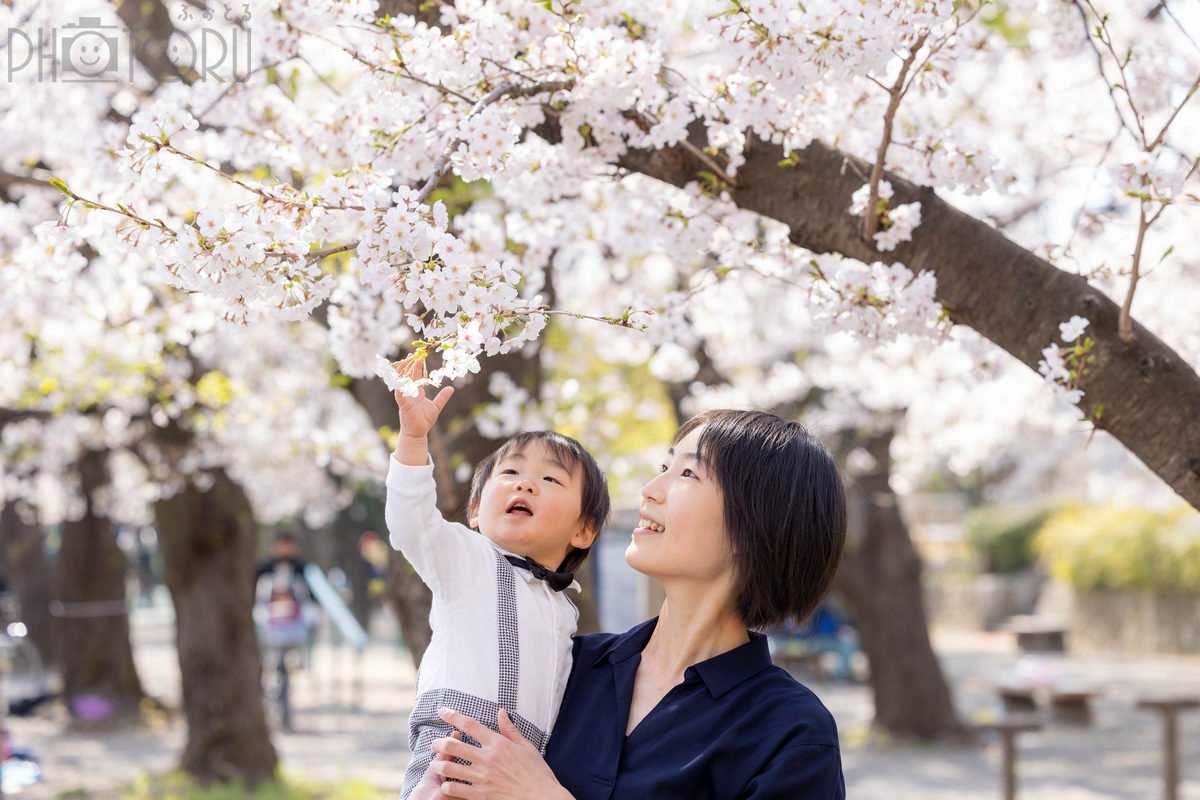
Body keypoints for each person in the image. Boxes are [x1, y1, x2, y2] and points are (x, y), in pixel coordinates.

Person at [420, 408, 848, 799]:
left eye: (687, 474)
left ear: (757, 524)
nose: (649, 490)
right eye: (663, 467)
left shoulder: (790, 732)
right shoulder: (567, 666)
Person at [385, 360, 610, 799]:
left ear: (583, 530)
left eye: (549, 479)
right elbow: (411, 523)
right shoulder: (467, 560)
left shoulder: (562, 607)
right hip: (453, 751)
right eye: (509, 473)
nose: (524, 485)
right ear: (474, 511)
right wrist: (413, 439)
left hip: (525, 769)